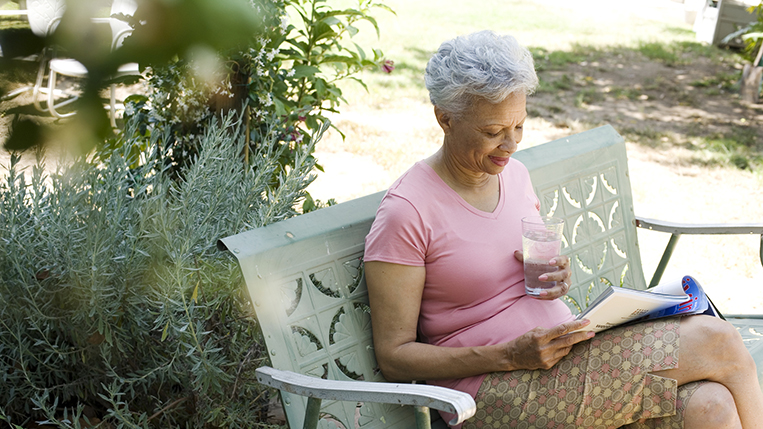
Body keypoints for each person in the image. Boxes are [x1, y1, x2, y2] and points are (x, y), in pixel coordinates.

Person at [363, 30, 763, 429]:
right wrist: (508, 355)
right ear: (444, 118)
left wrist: (556, 277)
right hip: (488, 393)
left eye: (519, 125)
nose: (511, 143)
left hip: (562, 359)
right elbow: (395, 356)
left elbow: (509, 270)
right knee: (719, 341)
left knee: (711, 407)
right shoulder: (408, 211)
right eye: (492, 131)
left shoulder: (514, 176)